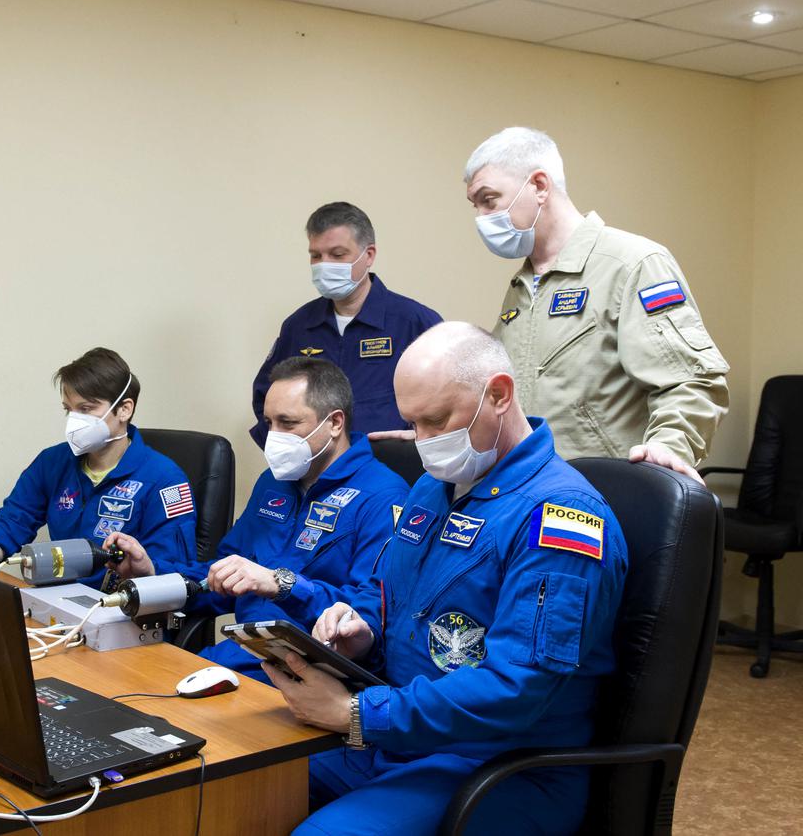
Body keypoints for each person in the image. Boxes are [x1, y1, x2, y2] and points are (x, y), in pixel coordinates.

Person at [265, 322, 627, 836]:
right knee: (230, 786)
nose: (423, 441)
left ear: (499, 395)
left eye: (436, 421)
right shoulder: (433, 488)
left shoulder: (562, 516)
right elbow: (385, 591)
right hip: (400, 737)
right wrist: (359, 627)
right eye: (413, 424)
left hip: (497, 763)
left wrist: (358, 714)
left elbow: (517, 687)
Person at [109, 357, 408, 682]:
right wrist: (153, 574)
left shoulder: (383, 496)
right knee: (122, 685)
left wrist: (281, 585)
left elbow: (366, 617)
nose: (273, 436)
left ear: (335, 423)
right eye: (269, 423)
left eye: (288, 423)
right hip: (241, 653)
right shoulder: (273, 483)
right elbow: (219, 578)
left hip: (308, 669)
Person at [463, 126, 728, 482]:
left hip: (603, 490)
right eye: (476, 205)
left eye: (489, 199)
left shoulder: (632, 263)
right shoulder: (524, 283)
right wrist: (442, 431)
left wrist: (670, 446)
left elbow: (691, 381)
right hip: (531, 489)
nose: (481, 217)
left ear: (539, 186)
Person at [0, 347, 201, 586]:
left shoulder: (165, 479)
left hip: (122, 611)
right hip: (57, 602)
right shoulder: (53, 462)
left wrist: (142, 570)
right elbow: (10, 525)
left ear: (124, 410)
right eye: (68, 409)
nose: (74, 421)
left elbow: (174, 575)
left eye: (86, 409)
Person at [250, 202, 441, 448]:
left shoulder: (414, 322)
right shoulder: (299, 326)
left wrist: (421, 444)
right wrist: (287, 452)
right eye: (316, 256)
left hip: (389, 464)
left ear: (368, 255)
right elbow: (266, 399)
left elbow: (451, 402)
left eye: (337, 255)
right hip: (315, 466)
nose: (324, 264)